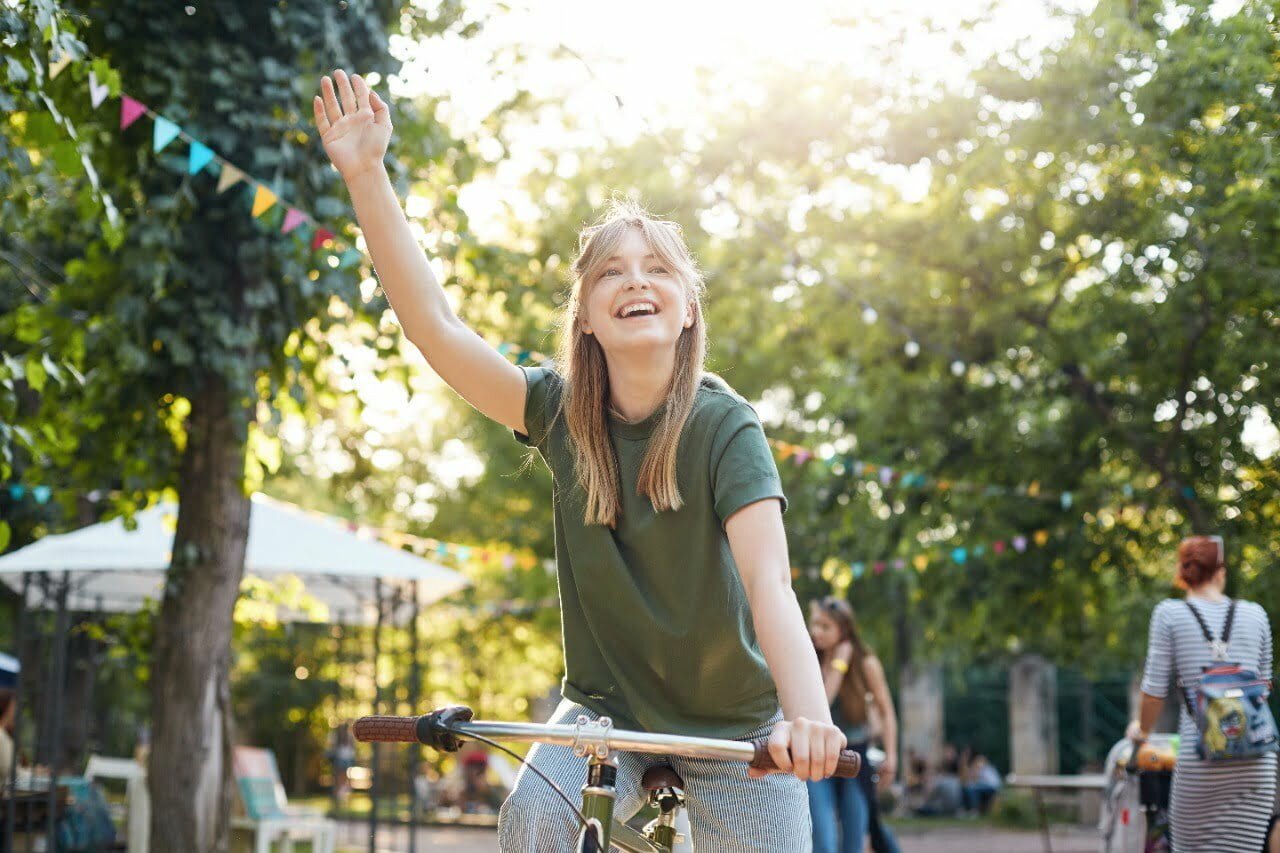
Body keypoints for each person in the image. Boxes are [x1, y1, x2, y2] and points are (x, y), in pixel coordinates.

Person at [313, 69, 846, 852]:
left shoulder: (725, 425)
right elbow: (436, 328)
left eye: (659, 269)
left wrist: (809, 722)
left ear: (688, 307)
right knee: (534, 816)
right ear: (588, 318)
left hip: (735, 718)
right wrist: (365, 174)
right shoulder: (559, 412)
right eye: (611, 272)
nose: (636, 279)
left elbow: (771, 584)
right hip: (604, 711)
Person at [1126, 535, 1276, 851]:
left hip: (1202, 761)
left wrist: (1141, 731)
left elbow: (1154, 691)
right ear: (1221, 571)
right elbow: (1263, 688)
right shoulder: (1256, 614)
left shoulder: (1170, 614)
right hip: (1256, 761)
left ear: (1183, 573)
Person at [807, 596, 902, 853]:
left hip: (854, 758)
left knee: (853, 844)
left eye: (825, 626)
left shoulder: (866, 663)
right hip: (819, 756)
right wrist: (838, 664)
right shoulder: (808, 660)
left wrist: (891, 756)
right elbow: (820, 707)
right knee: (824, 843)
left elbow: (887, 711)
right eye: (814, 624)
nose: (816, 632)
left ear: (844, 629)